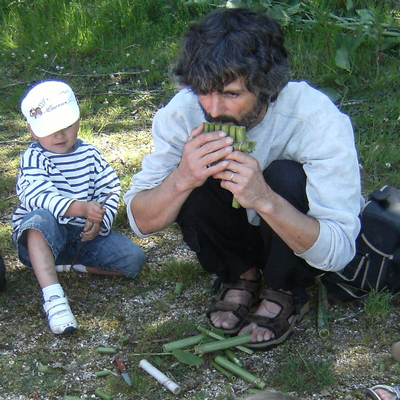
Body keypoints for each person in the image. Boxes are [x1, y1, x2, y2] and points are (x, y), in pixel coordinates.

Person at [124, 8, 363, 350]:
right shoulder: (182, 112)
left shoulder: (317, 121)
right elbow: (139, 220)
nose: (214, 107)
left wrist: (264, 197)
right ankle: (240, 275)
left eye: (231, 94)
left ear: (267, 87)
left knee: (285, 175)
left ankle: (284, 288)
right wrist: (183, 178)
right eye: (204, 90)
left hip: (292, 237)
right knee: (189, 175)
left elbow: (338, 252)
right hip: (233, 232)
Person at [12, 80, 146, 335]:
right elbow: (36, 194)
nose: (59, 135)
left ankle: (67, 266)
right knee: (38, 220)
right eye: (50, 129)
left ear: (78, 121)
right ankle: (54, 298)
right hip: (45, 235)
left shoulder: (91, 155)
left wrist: (98, 221)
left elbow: (109, 189)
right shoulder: (34, 157)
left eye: (67, 126)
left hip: (81, 236)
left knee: (133, 260)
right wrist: (78, 208)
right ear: (32, 130)